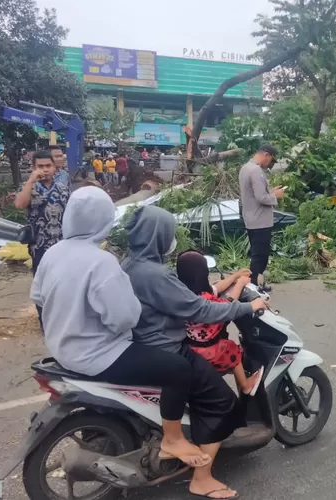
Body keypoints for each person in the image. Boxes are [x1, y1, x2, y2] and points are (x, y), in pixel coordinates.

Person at [30, 187, 213, 469]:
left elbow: (39, 299)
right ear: (105, 220)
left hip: (62, 349)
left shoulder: (53, 254)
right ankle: (173, 439)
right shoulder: (101, 262)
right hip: (99, 354)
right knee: (178, 369)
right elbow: (125, 319)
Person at [122, 206, 266, 500]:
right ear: (160, 236)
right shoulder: (155, 274)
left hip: (140, 343)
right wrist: (247, 307)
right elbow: (200, 308)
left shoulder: (129, 264)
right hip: (167, 347)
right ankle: (202, 478)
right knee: (223, 402)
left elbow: (198, 295)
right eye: (169, 233)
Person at [176, 251, 265, 396]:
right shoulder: (205, 299)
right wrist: (240, 284)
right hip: (208, 351)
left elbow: (216, 288)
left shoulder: (186, 294)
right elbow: (227, 308)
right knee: (231, 348)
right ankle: (245, 385)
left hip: (191, 347)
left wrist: (235, 276)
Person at [14, 150, 70, 325]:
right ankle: (45, 321)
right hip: (39, 246)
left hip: (62, 246)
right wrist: (31, 180)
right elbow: (19, 204)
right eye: (40, 166)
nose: (45, 170)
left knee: (63, 284)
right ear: (33, 168)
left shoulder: (63, 188)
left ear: (55, 167)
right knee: (42, 285)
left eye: (48, 166)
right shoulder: (30, 187)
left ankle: (62, 319)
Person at [238, 144, 284, 287]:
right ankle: (252, 286)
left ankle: (254, 285)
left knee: (257, 255)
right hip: (260, 220)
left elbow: (254, 194)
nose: (269, 164)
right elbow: (261, 198)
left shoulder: (245, 168)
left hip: (251, 218)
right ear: (266, 155)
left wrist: (271, 192)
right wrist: (276, 196)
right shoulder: (256, 170)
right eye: (270, 160)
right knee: (260, 257)